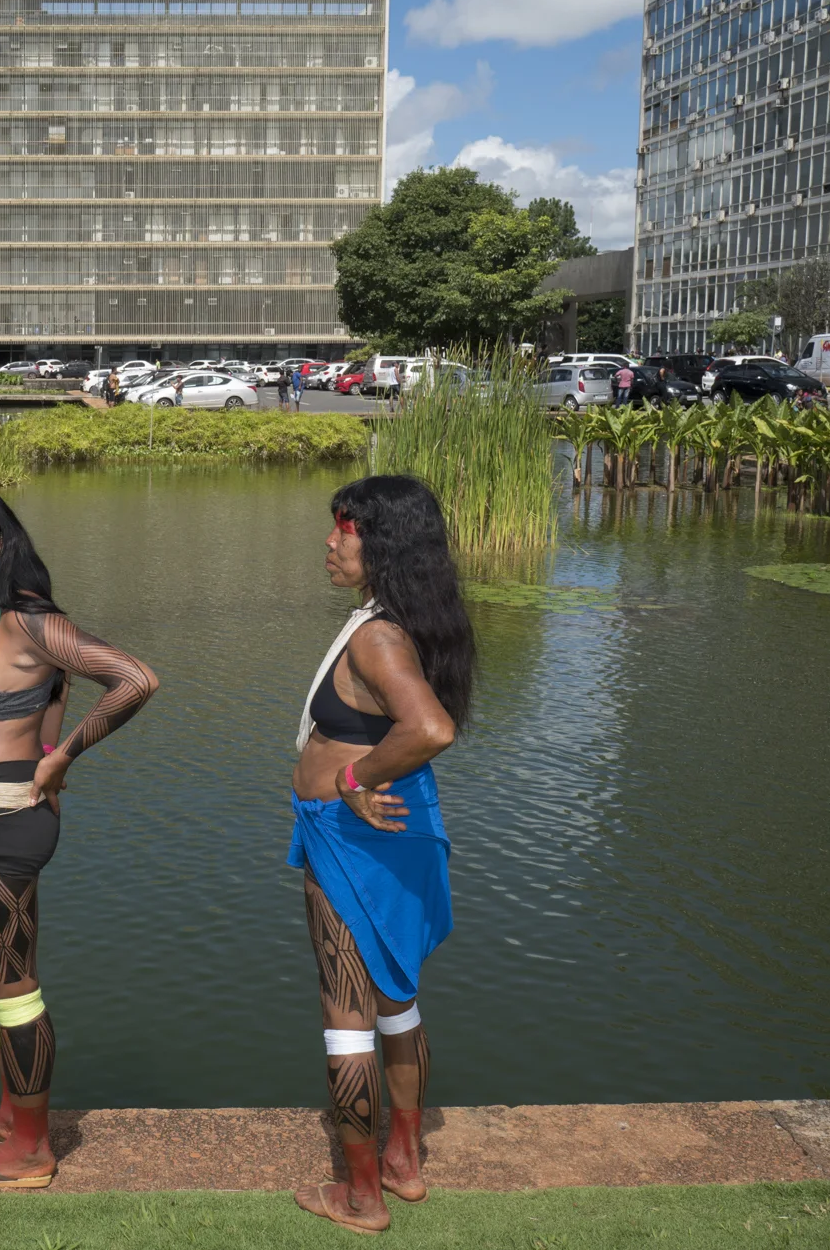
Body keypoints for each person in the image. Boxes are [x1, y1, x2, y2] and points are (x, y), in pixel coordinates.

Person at [0, 483, 159, 1188]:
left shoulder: (24, 619)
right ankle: (8, 1109)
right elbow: (43, 703)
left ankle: (31, 1146)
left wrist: (63, 756)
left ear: (2, 540)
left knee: (13, 983)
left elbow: (135, 678)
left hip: (0, 821)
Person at [287, 475, 474, 1235]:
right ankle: (404, 1160)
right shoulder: (408, 620)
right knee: (396, 1001)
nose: (331, 542)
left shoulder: (377, 635)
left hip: (355, 832)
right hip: (397, 827)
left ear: (384, 542)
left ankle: (361, 1195)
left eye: (346, 528)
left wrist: (353, 778)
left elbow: (429, 728)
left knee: (347, 1016)